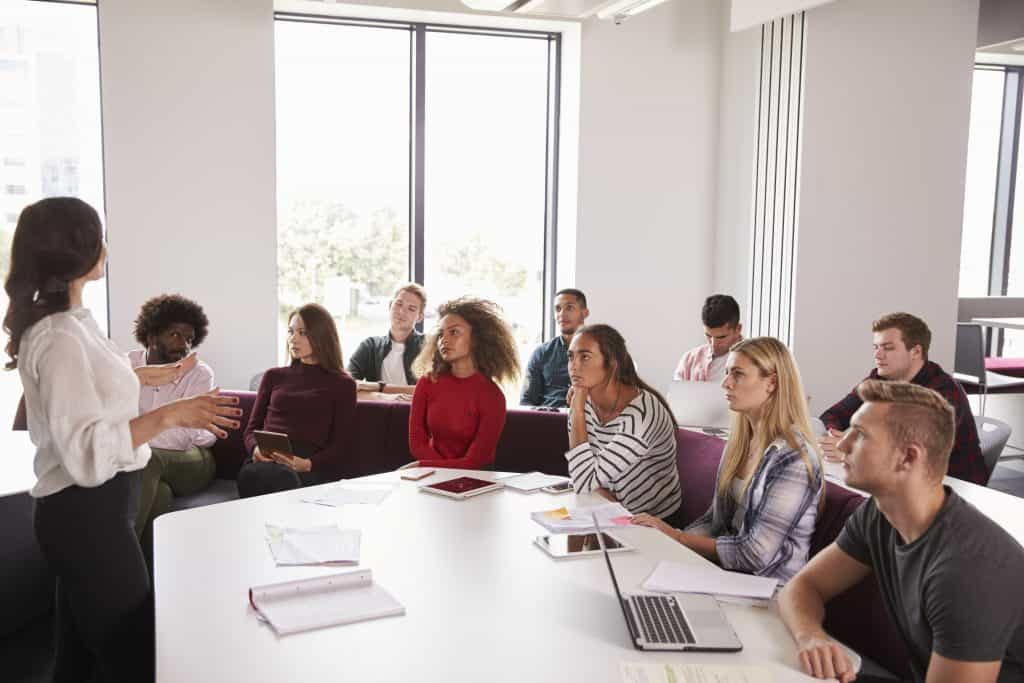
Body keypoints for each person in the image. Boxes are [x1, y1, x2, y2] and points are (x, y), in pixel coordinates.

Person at [4, 197, 240, 682]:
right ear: (78, 250)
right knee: (136, 656)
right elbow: (87, 451)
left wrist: (158, 377)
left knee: (79, 662)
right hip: (87, 514)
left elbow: (100, 383)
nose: (106, 247)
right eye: (99, 235)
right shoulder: (61, 338)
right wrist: (173, 412)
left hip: (91, 512)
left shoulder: (74, 326)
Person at [779, 380, 1024, 683]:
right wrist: (811, 637)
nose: (842, 445)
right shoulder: (879, 514)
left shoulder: (969, 568)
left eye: (860, 435)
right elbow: (803, 587)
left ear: (908, 457)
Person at [633, 336, 823, 582]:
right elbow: (714, 521)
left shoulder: (794, 458)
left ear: (772, 383)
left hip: (768, 592)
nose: (725, 383)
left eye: (738, 374)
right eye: (727, 373)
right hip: (729, 578)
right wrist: (669, 544)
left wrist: (677, 538)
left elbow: (756, 555)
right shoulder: (741, 442)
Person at [818, 312, 985, 485]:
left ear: (916, 351)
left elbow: (912, 451)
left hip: (952, 486)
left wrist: (852, 450)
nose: (878, 355)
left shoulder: (944, 392)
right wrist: (834, 436)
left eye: (888, 348)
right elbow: (833, 415)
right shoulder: (879, 379)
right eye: (876, 347)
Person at [237, 303, 357, 498]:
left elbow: (340, 444)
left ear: (321, 336)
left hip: (307, 465)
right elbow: (251, 430)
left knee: (284, 478)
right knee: (261, 475)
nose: (293, 339)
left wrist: (307, 464)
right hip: (265, 461)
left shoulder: (342, 384)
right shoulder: (273, 376)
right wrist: (255, 448)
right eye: (291, 332)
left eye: (303, 333)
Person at [565, 324, 682, 520]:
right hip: (606, 508)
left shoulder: (641, 415)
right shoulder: (582, 400)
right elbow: (583, 478)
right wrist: (598, 494)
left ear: (611, 364)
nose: (573, 366)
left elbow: (583, 481)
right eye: (570, 356)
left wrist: (576, 409)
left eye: (584, 357)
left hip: (653, 523)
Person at [129, 294, 217, 539]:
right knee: (160, 495)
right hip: (147, 463)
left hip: (195, 460)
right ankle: (144, 573)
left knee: (145, 457)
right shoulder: (127, 367)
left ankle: (114, 554)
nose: (184, 345)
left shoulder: (199, 374)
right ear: (151, 336)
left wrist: (135, 433)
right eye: (175, 335)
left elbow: (182, 439)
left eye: (189, 339)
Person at [408, 297, 520, 470]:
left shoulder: (492, 396)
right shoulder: (427, 383)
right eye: (441, 334)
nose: (443, 340)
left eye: (454, 332)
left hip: (476, 480)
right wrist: (433, 469)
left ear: (477, 338)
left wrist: (423, 466)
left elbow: (475, 461)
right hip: (430, 476)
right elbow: (417, 443)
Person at [348, 283, 427, 399]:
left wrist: (379, 387)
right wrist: (384, 397)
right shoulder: (370, 346)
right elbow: (347, 384)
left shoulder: (428, 346)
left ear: (420, 316)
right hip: (379, 413)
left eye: (411, 309)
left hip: (415, 414)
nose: (401, 312)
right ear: (390, 305)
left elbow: (433, 389)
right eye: (398, 304)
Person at [521, 288, 589, 408]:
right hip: (548, 420)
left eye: (569, 308)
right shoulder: (541, 353)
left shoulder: (602, 351)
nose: (562, 314)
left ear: (584, 313)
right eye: (558, 309)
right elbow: (527, 400)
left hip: (587, 419)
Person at [673, 294, 743, 382]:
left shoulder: (754, 362)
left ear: (738, 329)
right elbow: (676, 394)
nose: (713, 344)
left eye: (721, 337)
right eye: (708, 335)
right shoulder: (690, 359)